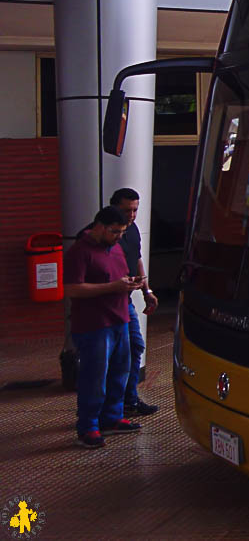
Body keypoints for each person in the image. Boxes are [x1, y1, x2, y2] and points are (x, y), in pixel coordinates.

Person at [65, 206, 145, 448]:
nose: (118, 236)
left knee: (120, 372)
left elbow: (117, 277)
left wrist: (132, 284)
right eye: (114, 232)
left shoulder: (116, 248)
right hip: (94, 325)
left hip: (120, 320)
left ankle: (112, 418)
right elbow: (72, 289)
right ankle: (88, 427)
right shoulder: (80, 252)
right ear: (98, 226)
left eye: (122, 232)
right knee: (94, 378)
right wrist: (113, 288)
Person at [109, 187, 160, 417]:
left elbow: (137, 258)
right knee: (117, 354)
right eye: (127, 210)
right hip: (109, 302)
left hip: (126, 299)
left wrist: (146, 290)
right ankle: (114, 405)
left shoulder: (132, 230)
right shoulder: (108, 233)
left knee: (135, 346)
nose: (131, 215)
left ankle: (129, 399)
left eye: (135, 210)